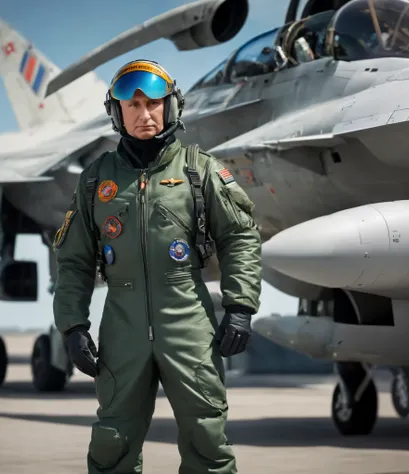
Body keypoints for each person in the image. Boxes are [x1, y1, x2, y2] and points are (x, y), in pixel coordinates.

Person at [52, 59, 262, 474]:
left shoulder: (199, 170)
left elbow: (239, 236)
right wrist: (72, 326)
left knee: (207, 437)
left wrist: (240, 307)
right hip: (122, 321)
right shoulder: (97, 180)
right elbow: (74, 259)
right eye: (132, 106)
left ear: (170, 107)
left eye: (153, 104)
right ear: (118, 113)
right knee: (113, 440)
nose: (144, 115)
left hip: (187, 316)